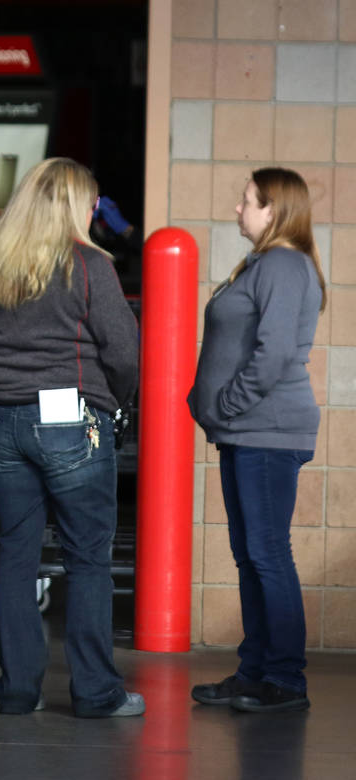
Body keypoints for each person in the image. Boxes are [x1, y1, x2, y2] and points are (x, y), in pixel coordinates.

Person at [0, 157, 144, 718]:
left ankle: (18, 691)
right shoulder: (89, 265)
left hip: (0, 421)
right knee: (87, 556)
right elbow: (124, 351)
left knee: (16, 554)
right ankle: (95, 693)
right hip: (70, 421)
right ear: (73, 206)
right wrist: (119, 404)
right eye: (89, 202)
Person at [188, 168, 324, 714]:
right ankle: (255, 672)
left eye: (247, 202)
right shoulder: (266, 265)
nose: (237, 210)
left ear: (275, 210)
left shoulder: (286, 266)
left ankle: (285, 680)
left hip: (267, 431)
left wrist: (221, 404)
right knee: (252, 555)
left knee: (268, 554)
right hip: (245, 433)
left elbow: (272, 356)